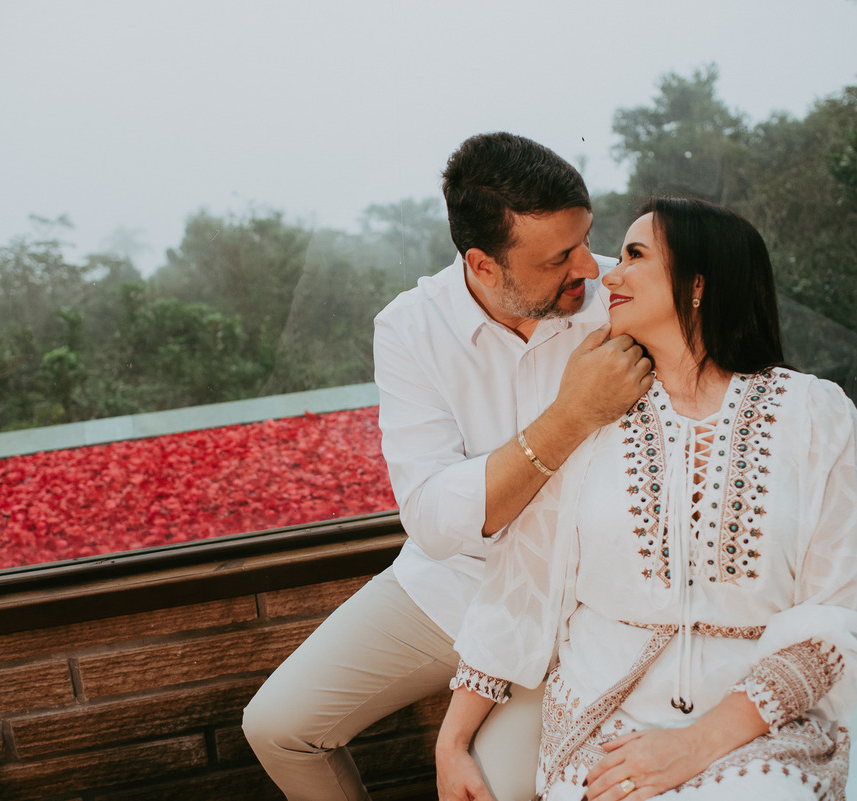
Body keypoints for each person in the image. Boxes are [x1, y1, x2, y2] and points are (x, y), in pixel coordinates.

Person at [242, 132, 653, 801]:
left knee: (482, 786)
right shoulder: (409, 328)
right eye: (559, 257)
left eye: (586, 239)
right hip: (449, 588)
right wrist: (572, 414)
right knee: (277, 726)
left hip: (581, 600)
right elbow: (434, 520)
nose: (590, 268)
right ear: (484, 266)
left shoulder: (626, 299)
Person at [437, 196, 857, 801]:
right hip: (602, 722)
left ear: (698, 284)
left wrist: (694, 744)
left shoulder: (818, 414)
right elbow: (526, 580)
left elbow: (834, 620)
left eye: (635, 255)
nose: (608, 276)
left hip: (755, 727)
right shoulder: (595, 411)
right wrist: (453, 741)